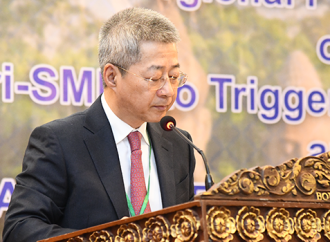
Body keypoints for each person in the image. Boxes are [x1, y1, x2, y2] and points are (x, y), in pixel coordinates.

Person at [2, 7, 196, 242]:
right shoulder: (60, 141)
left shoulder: (178, 143)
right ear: (112, 76)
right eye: (154, 78)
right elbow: (20, 228)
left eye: (174, 77)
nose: (167, 91)